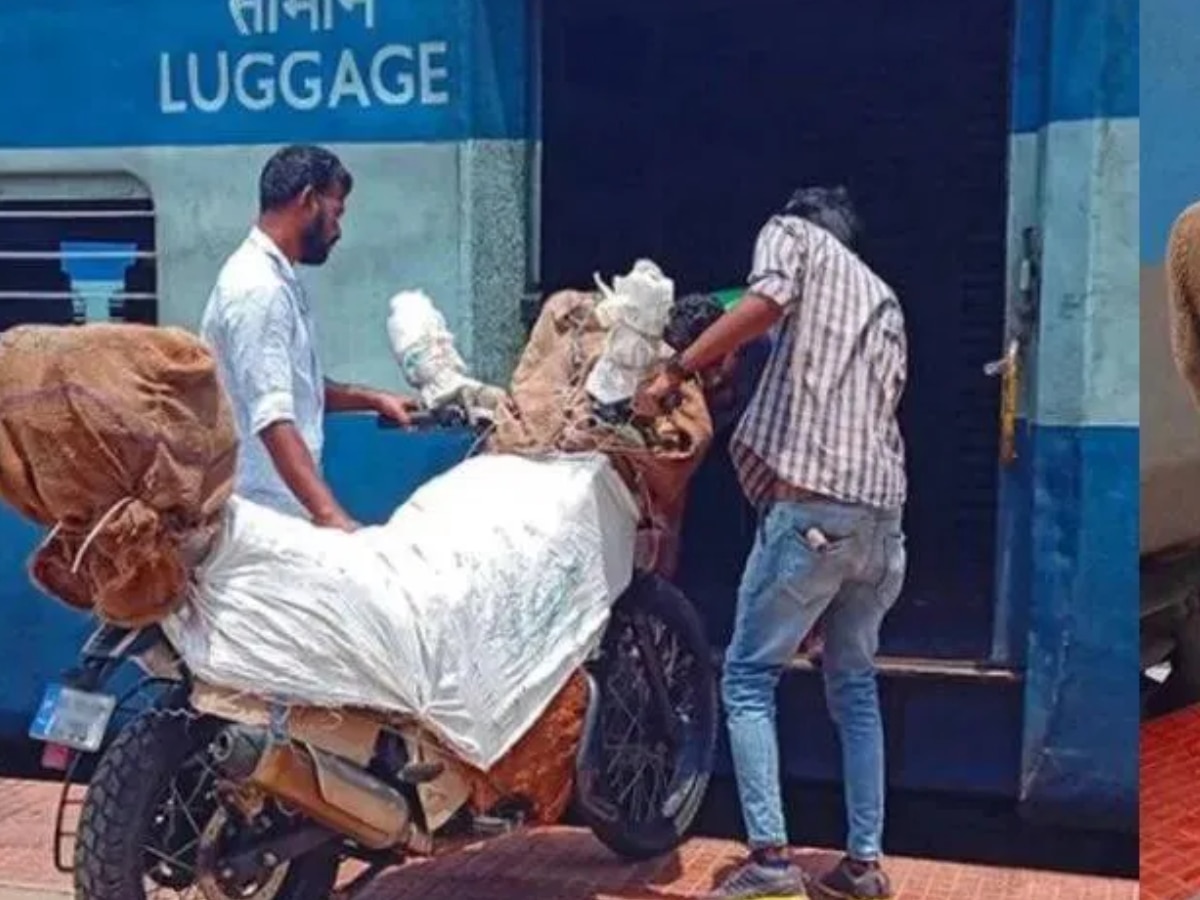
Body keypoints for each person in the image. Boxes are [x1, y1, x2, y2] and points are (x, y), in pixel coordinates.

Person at [637, 186, 908, 900]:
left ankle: (771, 864)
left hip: (812, 512)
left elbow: (765, 300)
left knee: (748, 678)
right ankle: (864, 866)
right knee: (854, 686)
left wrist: (677, 368)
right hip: (881, 522)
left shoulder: (791, 236)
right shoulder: (884, 301)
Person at [200, 144, 417, 532]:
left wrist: (372, 400)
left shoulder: (278, 279)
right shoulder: (258, 289)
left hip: (279, 512)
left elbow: (295, 387)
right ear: (307, 200)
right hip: (260, 517)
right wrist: (333, 518)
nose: (338, 230)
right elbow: (273, 417)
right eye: (336, 212)